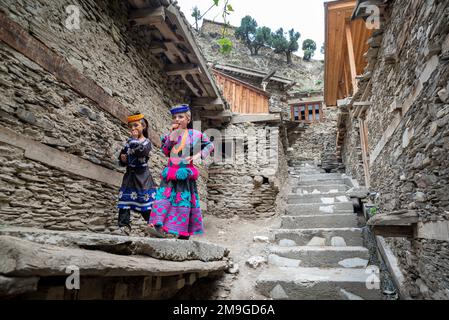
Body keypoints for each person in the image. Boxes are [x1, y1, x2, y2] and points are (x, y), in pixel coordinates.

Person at [148, 105, 214, 240]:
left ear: (188, 119)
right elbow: (166, 152)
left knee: (183, 203)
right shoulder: (169, 135)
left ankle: (184, 234)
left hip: (185, 174)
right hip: (170, 173)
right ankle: (158, 228)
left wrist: (198, 155)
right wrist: (171, 137)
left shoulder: (195, 135)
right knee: (162, 200)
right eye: (174, 117)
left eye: (180, 117)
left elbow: (210, 145)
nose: (177, 119)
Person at [116, 113, 157, 236]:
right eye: (130, 127)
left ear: (143, 126)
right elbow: (123, 156)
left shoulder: (146, 142)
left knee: (144, 203)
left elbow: (141, 152)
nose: (133, 129)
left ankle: (154, 226)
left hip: (142, 177)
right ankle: (124, 227)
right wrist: (122, 159)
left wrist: (133, 140)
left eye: (135, 125)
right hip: (129, 176)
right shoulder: (129, 142)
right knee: (124, 201)